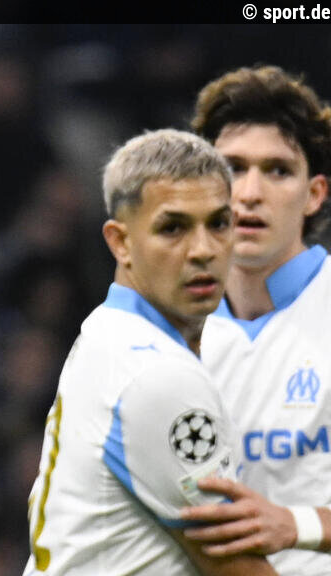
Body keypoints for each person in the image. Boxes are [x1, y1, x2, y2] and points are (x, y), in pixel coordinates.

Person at [23, 128, 276, 575]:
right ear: (120, 242)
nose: (203, 250)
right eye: (173, 228)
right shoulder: (158, 375)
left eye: (219, 223)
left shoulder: (107, 332)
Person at [179, 65, 331, 573]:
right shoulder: (160, 333)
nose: (249, 192)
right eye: (233, 167)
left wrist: (297, 526)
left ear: (315, 194)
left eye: (278, 170)